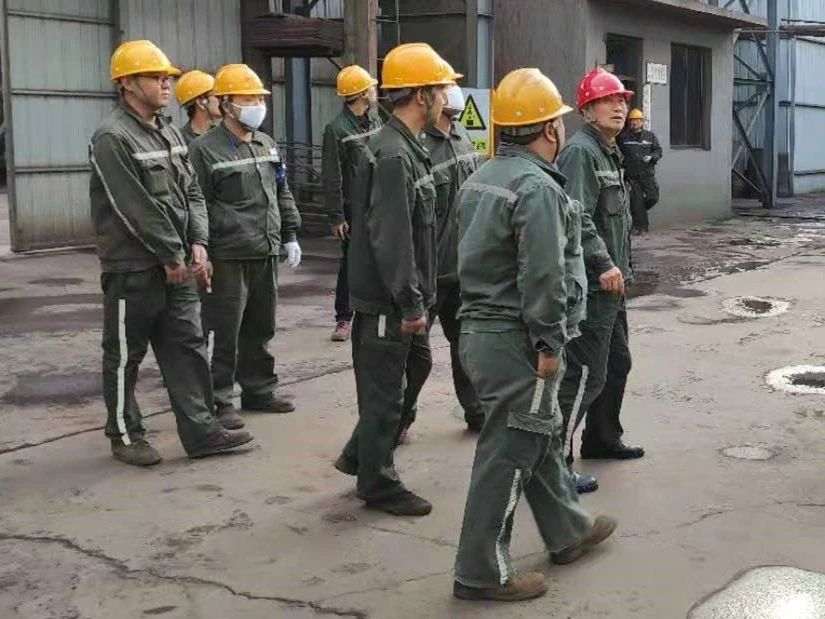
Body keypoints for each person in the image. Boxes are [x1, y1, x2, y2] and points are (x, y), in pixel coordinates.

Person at [452, 68, 616, 602]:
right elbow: (543, 273)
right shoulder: (537, 187)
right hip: (518, 339)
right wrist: (549, 343)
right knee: (509, 451)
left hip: (483, 331)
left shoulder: (482, 177)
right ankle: (481, 571)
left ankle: (568, 531)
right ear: (549, 129)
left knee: (538, 434)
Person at [89, 40, 254, 466]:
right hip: (134, 269)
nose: (167, 84)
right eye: (156, 77)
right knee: (124, 356)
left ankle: (202, 433)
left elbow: (193, 191)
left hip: (177, 264)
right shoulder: (112, 137)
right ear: (127, 83)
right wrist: (171, 254)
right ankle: (125, 436)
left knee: (188, 347)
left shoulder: (168, 131)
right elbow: (134, 207)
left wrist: (198, 241)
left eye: (168, 77)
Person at [333, 43, 456, 517]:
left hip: (406, 295)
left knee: (413, 369)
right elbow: (393, 236)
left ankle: (360, 453)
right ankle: (377, 481)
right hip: (387, 302)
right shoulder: (392, 154)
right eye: (440, 89)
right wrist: (409, 303)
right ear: (422, 95)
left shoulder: (408, 146)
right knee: (384, 393)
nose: (446, 97)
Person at [188, 64, 302, 428]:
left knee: (260, 327)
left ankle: (259, 390)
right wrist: (201, 248)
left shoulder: (266, 144)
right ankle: (219, 399)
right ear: (225, 104)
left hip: (264, 250)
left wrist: (290, 233)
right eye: (248, 99)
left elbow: (281, 190)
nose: (257, 105)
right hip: (228, 255)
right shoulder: (203, 150)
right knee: (224, 331)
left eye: (259, 99)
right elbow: (196, 203)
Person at [556, 68, 645, 494]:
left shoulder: (609, 151)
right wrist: (604, 264)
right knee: (584, 374)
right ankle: (555, 462)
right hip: (593, 286)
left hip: (614, 284)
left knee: (617, 364)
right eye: (607, 100)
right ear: (587, 110)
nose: (618, 107)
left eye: (622, 100)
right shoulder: (581, 153)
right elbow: (575, 217)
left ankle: (602, 437)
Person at [397, 83, 484, 440]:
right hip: (429, 272)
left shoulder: (464, 139)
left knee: (468, 345)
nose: (453, 93)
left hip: (464, 269)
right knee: (412, 356)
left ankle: (476, 410)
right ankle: (400, 417)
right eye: (445, 88)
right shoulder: (419, 148)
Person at [321, 65, 383, 342]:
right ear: (360, 94)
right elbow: (331, 175)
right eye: (370, 87)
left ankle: (374, 312)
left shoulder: (376, 121)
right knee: (351, 263)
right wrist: (336, 216)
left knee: (379, 259)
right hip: (353, 209)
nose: (374, 90)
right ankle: (343, 318)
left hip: (377, 204)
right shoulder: (336, 129)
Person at [618, 108, 662, 234]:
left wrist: (651, 157)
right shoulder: (623, 137)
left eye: (637, 120)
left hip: (647, 174)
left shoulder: (650, 136)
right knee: (637, 201)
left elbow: (658, 151)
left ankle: (639, 213)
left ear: (642, 122)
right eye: (632, 121)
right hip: (632, 175)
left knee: (653, 197)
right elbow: (617, 151)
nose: (634, 123)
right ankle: (641, 227)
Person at [174, 70, 221, 145]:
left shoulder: (224, 136)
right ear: (201, 102)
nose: (222, 99)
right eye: (216, 96)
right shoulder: (178, 141)